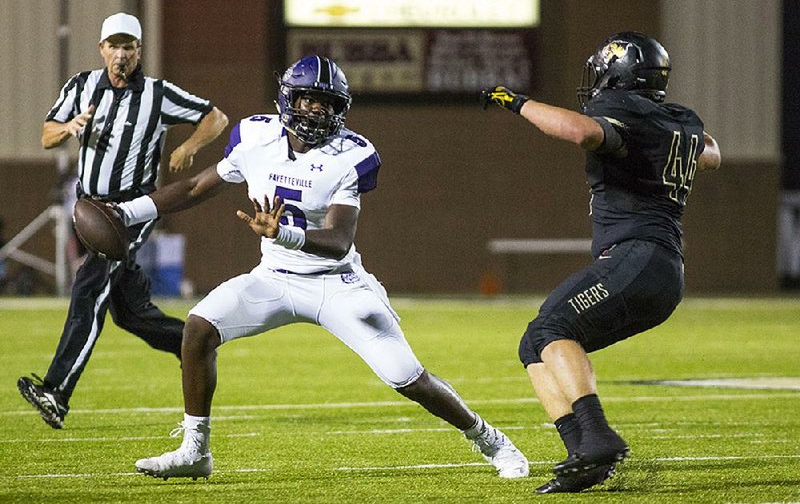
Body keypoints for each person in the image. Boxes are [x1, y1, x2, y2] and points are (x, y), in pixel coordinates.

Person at [115, 55, 529, 480]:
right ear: (288, 99)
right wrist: (125, 213)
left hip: (337, 285)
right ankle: (194, 451)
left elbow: (338, 241)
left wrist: (283, 235)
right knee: (199, 326)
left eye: (328, 103)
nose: (318, 110)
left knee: (407, 378)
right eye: (310, 99)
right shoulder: (255, 136)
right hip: (274, 278)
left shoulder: (350, 154)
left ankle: (492, 441)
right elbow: (194, 186)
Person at [480, 31, 721, 493]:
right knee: (534, 346)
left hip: (636, 257)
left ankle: (598, 436)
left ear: (618, 73)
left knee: (553, 328)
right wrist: (677, 138)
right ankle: (583, 453)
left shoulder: (626, 115)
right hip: (662, 272)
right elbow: (711, 152)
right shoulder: (680, 121)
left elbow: (581, 131)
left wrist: (512, 100)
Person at [17, 12, 228, 429]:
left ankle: (57, 392)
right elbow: (46, 135)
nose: (120, 54)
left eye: (128, 47)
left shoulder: (156, 93)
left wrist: (189, 145)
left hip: (130, 211)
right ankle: (194, 341)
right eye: (113, 46)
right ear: (101, 50)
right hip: (90, 208)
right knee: (130, 313)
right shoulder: (81, 86)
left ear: (138, 51)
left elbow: (216, 118)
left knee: (88, 291)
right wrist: (69, 128)